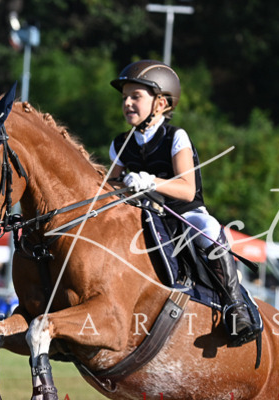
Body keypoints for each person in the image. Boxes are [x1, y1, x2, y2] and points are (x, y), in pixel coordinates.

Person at [107, 60, 260, 346]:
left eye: (135, 96)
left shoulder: (176, 136)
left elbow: (187, 189)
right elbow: (108, 186)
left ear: (161, 103)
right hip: (143, 217)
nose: (127, 103)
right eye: (125, 97)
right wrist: (121, 187)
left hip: (183, 214)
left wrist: (151, 181)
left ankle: (236, 308)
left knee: (210, 232)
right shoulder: (120, 142)